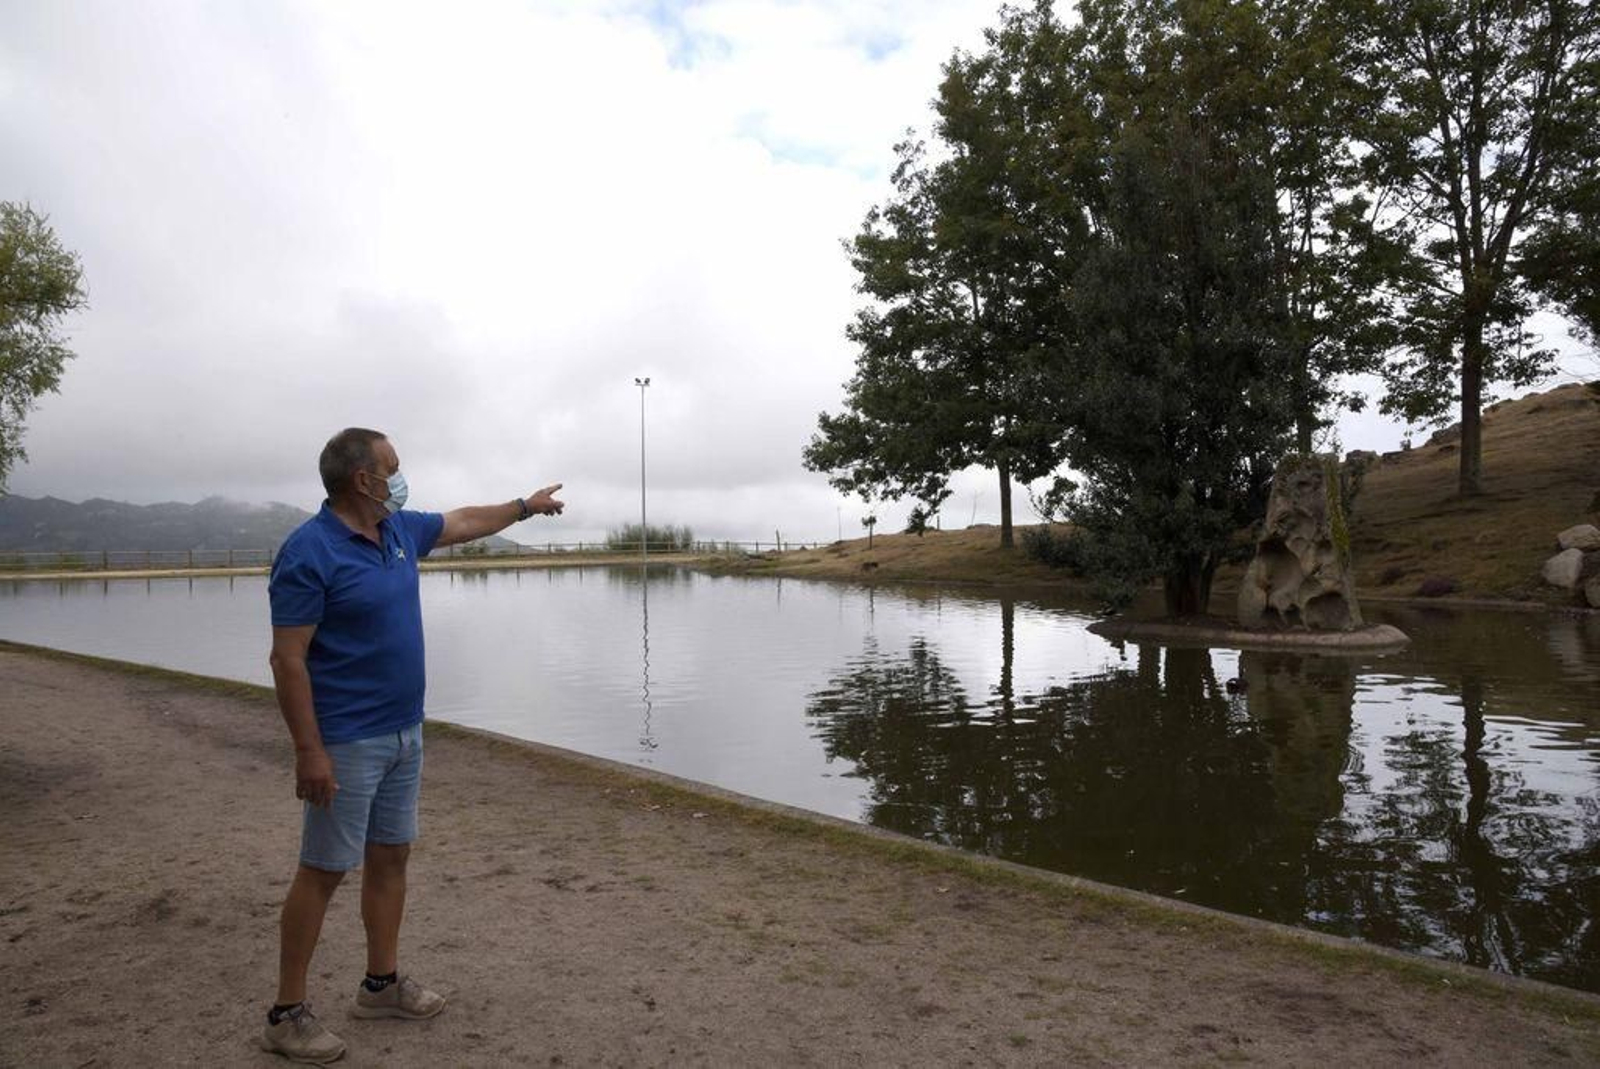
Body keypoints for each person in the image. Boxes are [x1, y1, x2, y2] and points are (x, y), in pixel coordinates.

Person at [260, 427, 564, 1064]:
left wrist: (522, 507)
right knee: (322, 871)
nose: (401, 476)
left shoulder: (397, 532)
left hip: (405, 731)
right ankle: (287, 1013)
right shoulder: (308, 552)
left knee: (391, 858)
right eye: (392, 467)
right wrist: (308, 751)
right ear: (362, 480)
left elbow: (459, 521)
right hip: (345, 740)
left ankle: (381, 985)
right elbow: (288, 661)